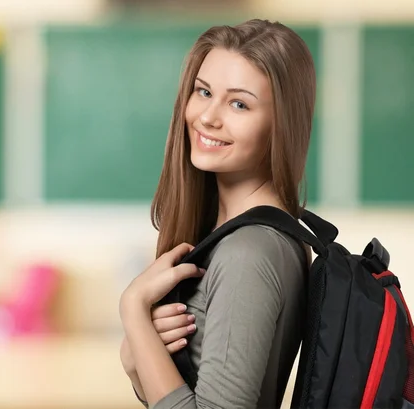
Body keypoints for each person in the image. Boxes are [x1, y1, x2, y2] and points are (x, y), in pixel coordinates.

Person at [119, 19, 315, 409]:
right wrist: (135, 358)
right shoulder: (237, 235)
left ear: (281, 125)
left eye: (239, 103)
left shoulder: (249, 252)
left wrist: (134, 312)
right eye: (203, 92)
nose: (208, 117)